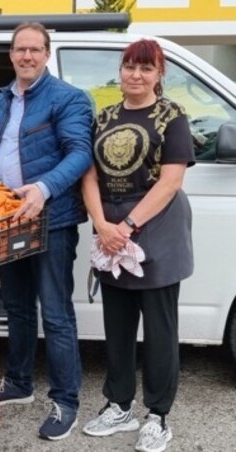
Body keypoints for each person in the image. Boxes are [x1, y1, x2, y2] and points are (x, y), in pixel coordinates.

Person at [0, 22, 94, 440]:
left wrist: (44, 188)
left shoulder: (67, 98)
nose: (27, 56)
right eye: (20, 49)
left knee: (55, 312)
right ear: (11, 54)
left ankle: (65, 401)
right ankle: (18, 383)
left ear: (47, 54)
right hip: (7, 219)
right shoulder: (3, 97)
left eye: (35, 49)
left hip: (51, 219)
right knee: (15, 305)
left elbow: (80, 153)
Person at [80, 39, 194, 452]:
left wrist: (126, 225)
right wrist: (101, 224)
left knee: (160, 331)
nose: (136, 75)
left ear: (159, 74)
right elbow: (89, 176)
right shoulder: (105, 116)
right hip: (110, 230)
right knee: (118, 327)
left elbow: (171, 181)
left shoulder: (172, 116)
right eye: (129, 66)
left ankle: (158, 415)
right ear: (121, 71)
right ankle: (119, 404)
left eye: (146, 68)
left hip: (156, 229)